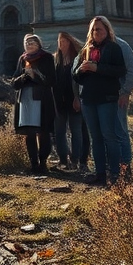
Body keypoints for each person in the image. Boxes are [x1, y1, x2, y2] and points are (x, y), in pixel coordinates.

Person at [73, 15, 127, 185]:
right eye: (94, 29)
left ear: (107, 31)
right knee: (95, 137)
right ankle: (100, 173)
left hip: (107, 98)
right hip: (88, 99)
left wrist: (98, 68)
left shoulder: (113, 48)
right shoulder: (85, 50)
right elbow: (75, 76)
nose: (96, 32)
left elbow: (120, 71)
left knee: (109, 136)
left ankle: (115, 174)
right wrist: (81, 70)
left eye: (100, 29)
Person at [11, 34, 56, 174]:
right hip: (25, 100)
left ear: (39, 44)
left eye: (32, 42)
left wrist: (35, 76)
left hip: (41, 99)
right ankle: (33, 164)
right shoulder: (22, 59)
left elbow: (51, 80)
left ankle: (43, 163)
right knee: (29, 133)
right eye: (27, 43)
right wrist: (24, 77)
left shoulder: (47, 57)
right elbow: (14, 81)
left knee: (43, 132)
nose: (29, 45)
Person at [53, 31, 84, 170]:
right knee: (59, 131)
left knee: (75, 131)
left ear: (70, 43)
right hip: (59, 102)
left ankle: (75, 159)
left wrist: (78, 98)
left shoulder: (76, 59)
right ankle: (63, 159)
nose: (61, 44)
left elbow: (79, 82)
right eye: (60, 41)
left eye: (64, 41)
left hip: (73, 100)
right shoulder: (55, 60)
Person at [114, 34, 133, 179]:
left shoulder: (121, 45)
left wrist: (125, 91)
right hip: (100, 97)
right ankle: (111, 165)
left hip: (118, 95)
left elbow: (132, 69)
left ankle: (126, 166)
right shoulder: (93, 45)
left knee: (120, 129)